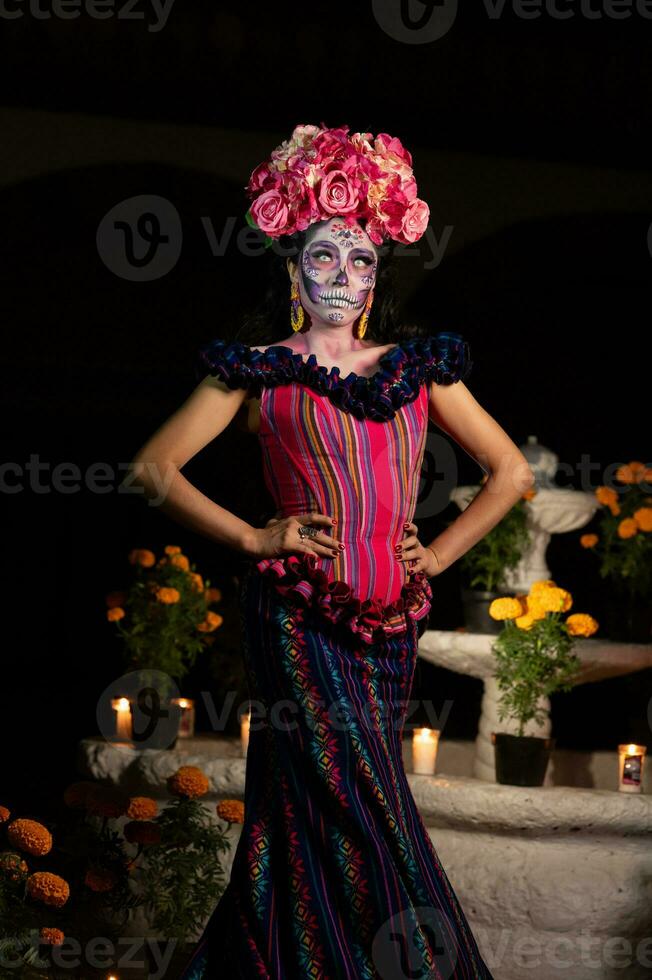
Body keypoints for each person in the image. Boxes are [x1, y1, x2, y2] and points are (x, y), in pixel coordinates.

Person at [130, 124, 534, 979]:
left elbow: (510, 474)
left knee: (304, 809)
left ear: (379, 272)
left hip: (391, 628)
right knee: (366, 805)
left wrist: (441, 553)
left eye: (361, 262)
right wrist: (252, 536)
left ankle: (283, 961)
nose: (344, 279)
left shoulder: (419, 366)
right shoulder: (256, 368)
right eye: (324, 258)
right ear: (291, 266)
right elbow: (153, 469)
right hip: (296, 619)